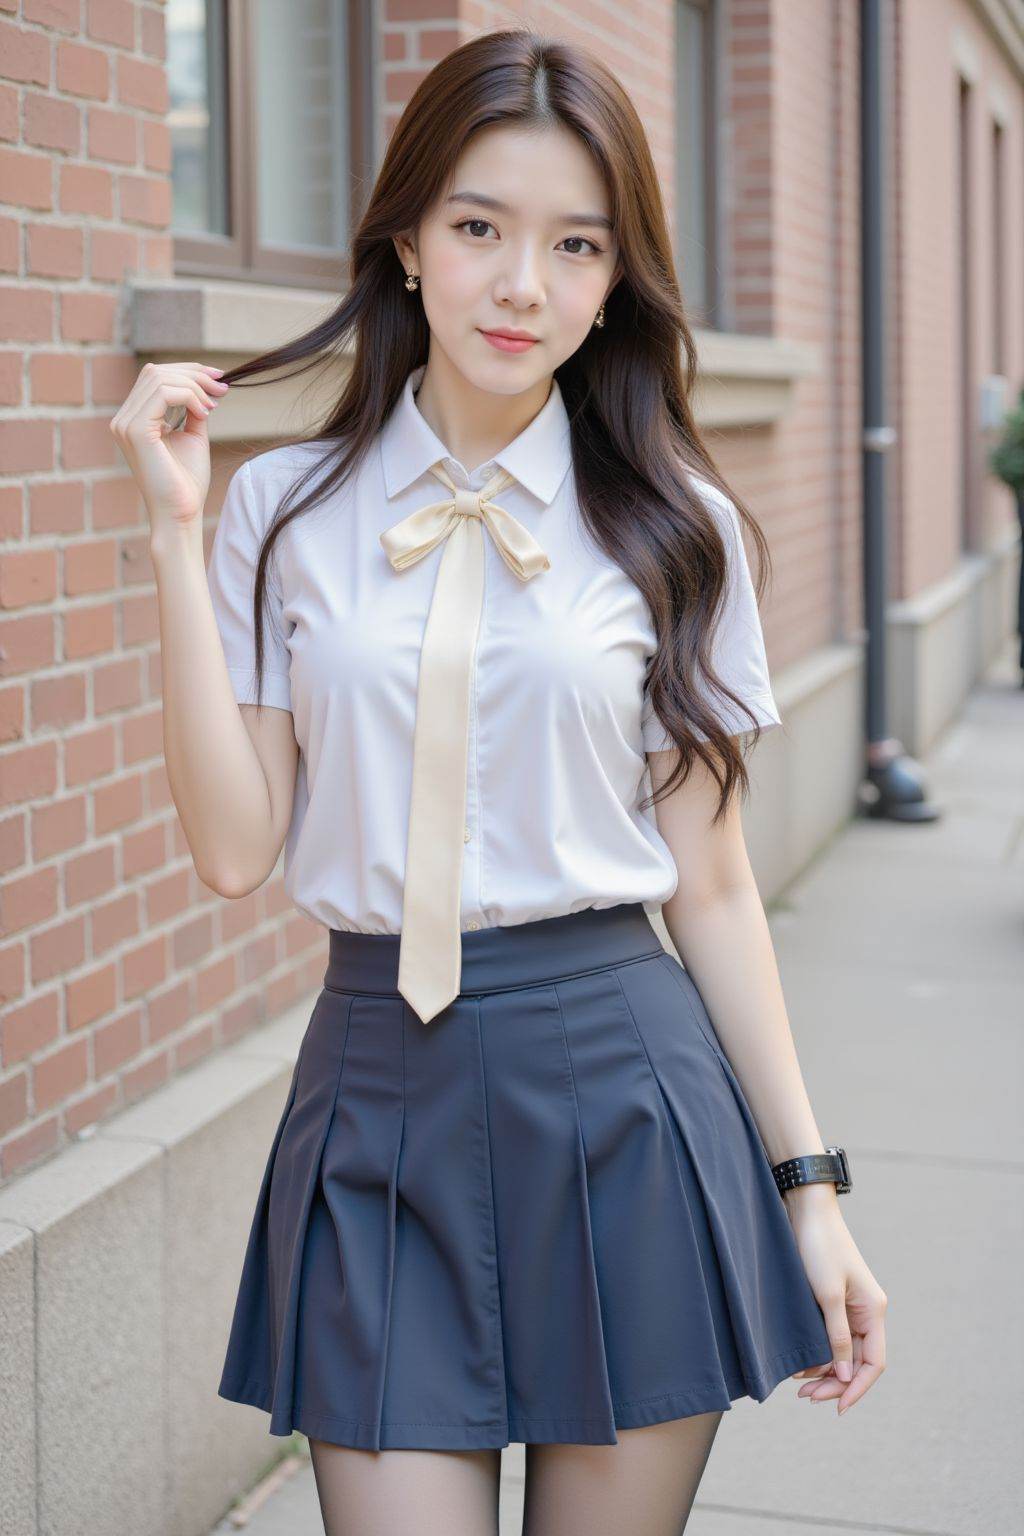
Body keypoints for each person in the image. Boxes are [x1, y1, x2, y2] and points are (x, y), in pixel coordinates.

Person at [110, 27, 887, 1536]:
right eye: (480, 228)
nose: (521, 283)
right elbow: (229, 849)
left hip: (623, 1094)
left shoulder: (681, 532)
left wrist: (814, 1189)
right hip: (374, 1096)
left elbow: (716, 888)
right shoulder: (278, 511)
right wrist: (168, 538)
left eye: (574, 244)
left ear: (615, 281)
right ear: (407, 243)